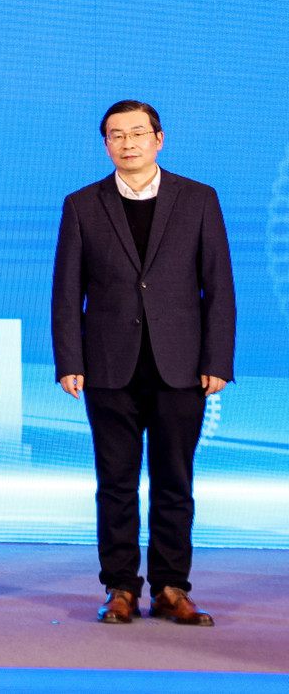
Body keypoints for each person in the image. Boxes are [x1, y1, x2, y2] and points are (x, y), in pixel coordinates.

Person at [53, 100, 233, 626]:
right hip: (108, 364)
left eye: (137, 133)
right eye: (116, 135)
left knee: (175, 481)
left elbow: (219, 286)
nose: (127, 143)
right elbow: (67, 291)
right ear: (105, 144)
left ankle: (172, 587)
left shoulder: (198, 198)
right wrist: (69, 359)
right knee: (115, 482)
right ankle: (120, 587)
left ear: (159, 138)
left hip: (182, 365)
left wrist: (217, 359)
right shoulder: (82, 204)